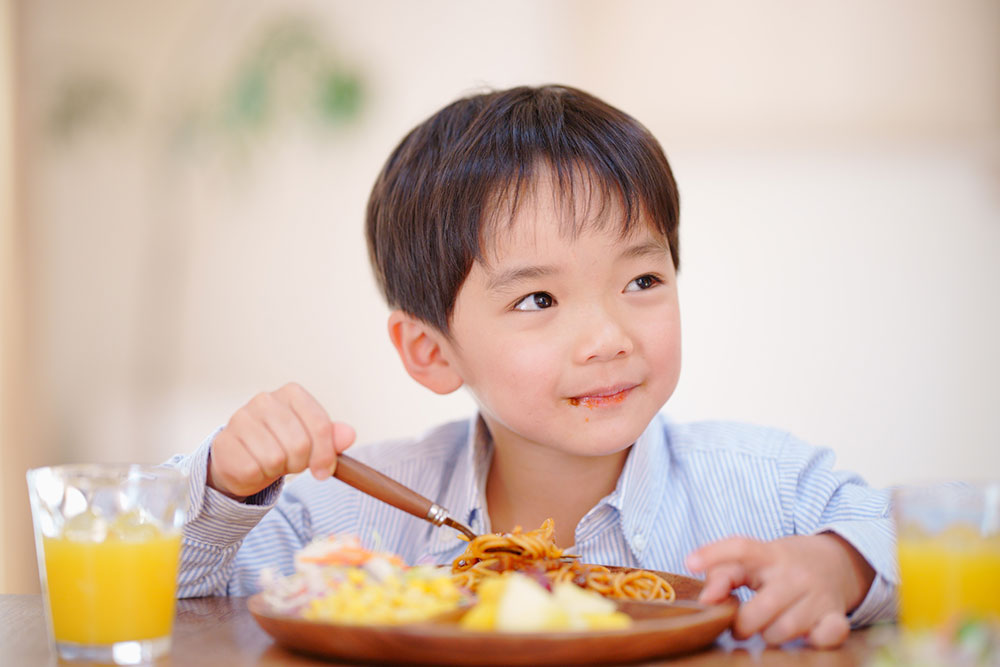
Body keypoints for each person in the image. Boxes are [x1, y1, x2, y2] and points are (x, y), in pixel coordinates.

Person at [167, 84, 896, 648]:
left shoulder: (767, 486)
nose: (607, 338)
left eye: (642, 280)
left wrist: (841, 566)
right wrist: (226, 484)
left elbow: (929, 536)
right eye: (538, 299)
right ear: (431, 351)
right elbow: (174, 592)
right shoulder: (347, 519)